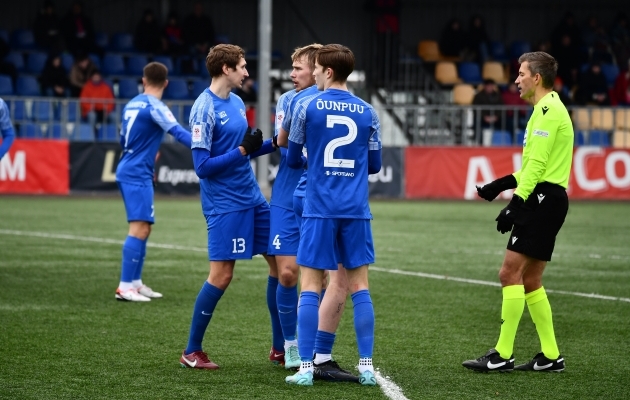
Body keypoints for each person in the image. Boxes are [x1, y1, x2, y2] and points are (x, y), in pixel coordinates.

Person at [463, 51, 573, 373]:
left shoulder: (548, 111)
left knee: (509, 273)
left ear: (536, 78)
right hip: (549, 197)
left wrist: (515, 204)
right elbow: (534, 166)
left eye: (521, 74)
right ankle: (551, 355)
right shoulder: (546, 108)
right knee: (531, 279)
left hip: (542, 198)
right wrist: (499, 185)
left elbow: (538, 167)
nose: (516, 80)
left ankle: (502, 354)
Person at [284, 44, 382, 386]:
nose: (311, 74)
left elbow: (293, 159)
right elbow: (375, 166)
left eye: (316, 69)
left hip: (318, 209)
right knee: (360, 287)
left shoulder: (307, 107)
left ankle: (307, 369)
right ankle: (367, 365)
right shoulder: (369, 111)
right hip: (355, 210)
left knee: (310, 286)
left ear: (326, 71)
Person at [180, 44, 277, 369]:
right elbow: (202, 167)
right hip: (225, 204)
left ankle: (280, 348)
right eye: (242, 66)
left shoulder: (236, 102)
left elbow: (244, 151)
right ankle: (191, 351)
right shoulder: (203, 109)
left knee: (281, 265)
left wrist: (273, 144)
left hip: (252, 198)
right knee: (221, 275)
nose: (247, 73)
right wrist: (241, 150)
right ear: (226, 69)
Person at [271, 43, 359, 382]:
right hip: (288, 192)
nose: (292, 74)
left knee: (317, 276)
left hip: (320, 197)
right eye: (291, 68)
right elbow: (282, 145)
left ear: (320, 69)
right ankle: (289, 344)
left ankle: (309, 352)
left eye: (299, 67)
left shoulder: (334, 102)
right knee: (289, 273)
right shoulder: (289, 101)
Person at [114, 62, 192, 301]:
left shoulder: (132, 103)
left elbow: (123, 138)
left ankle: (135, 283)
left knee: (144, 228)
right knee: (138, 228)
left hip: (132, 168)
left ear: (144, 80)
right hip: (137, 173)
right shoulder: (155, 106)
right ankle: (124, 286)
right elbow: (178, 132)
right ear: (166, 84)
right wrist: (206, 147)